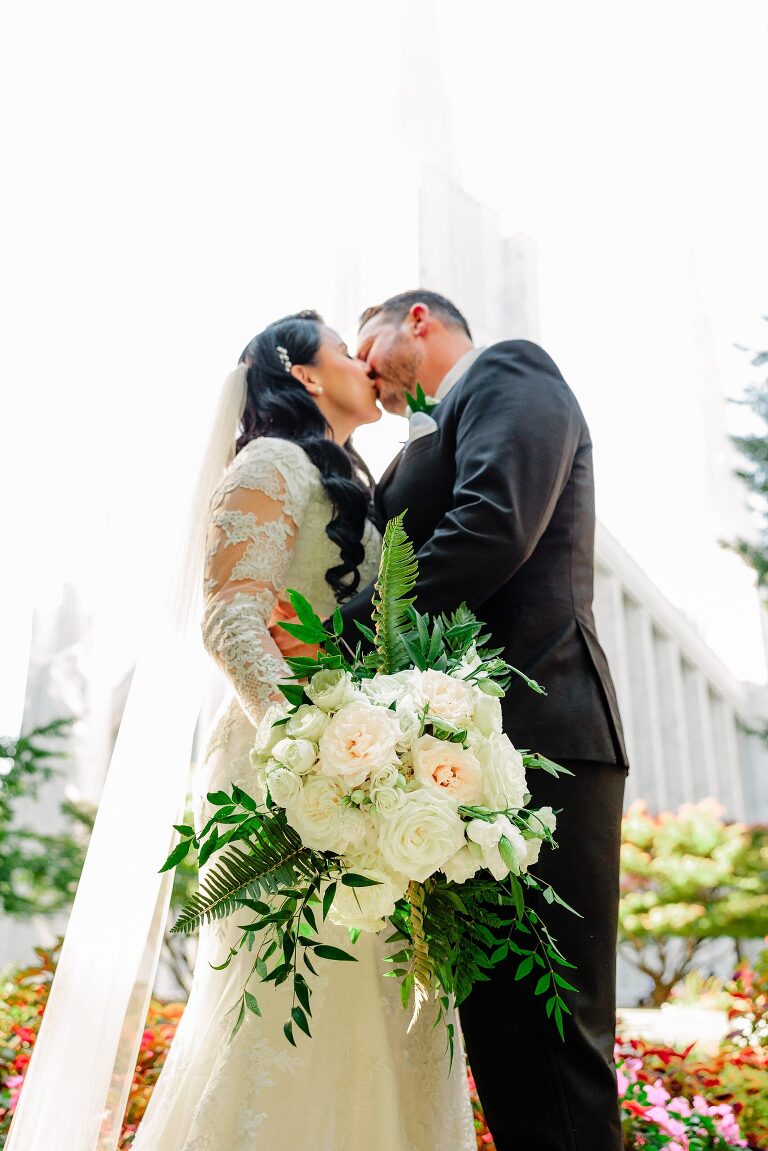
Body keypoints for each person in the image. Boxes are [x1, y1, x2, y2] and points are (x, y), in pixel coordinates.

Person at [6, 311, 475, 1151]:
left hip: (368, 772)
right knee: (296, 996)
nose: (365, 362)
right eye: (344, 347)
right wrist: (311, 745)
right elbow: (229, 619)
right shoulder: (267, 463)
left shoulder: (347, 482)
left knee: (381, 1000)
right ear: (302, 374)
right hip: (285, 773)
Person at [326, 290, 629, 1151]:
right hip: (457, 763)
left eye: (368, 343)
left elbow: (495, 528)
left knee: (555, 1038)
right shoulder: (432, 429)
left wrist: (342, 639)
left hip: (543, 733)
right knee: (504, 1043)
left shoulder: (510, 369)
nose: (367, 369)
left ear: (416, 318)